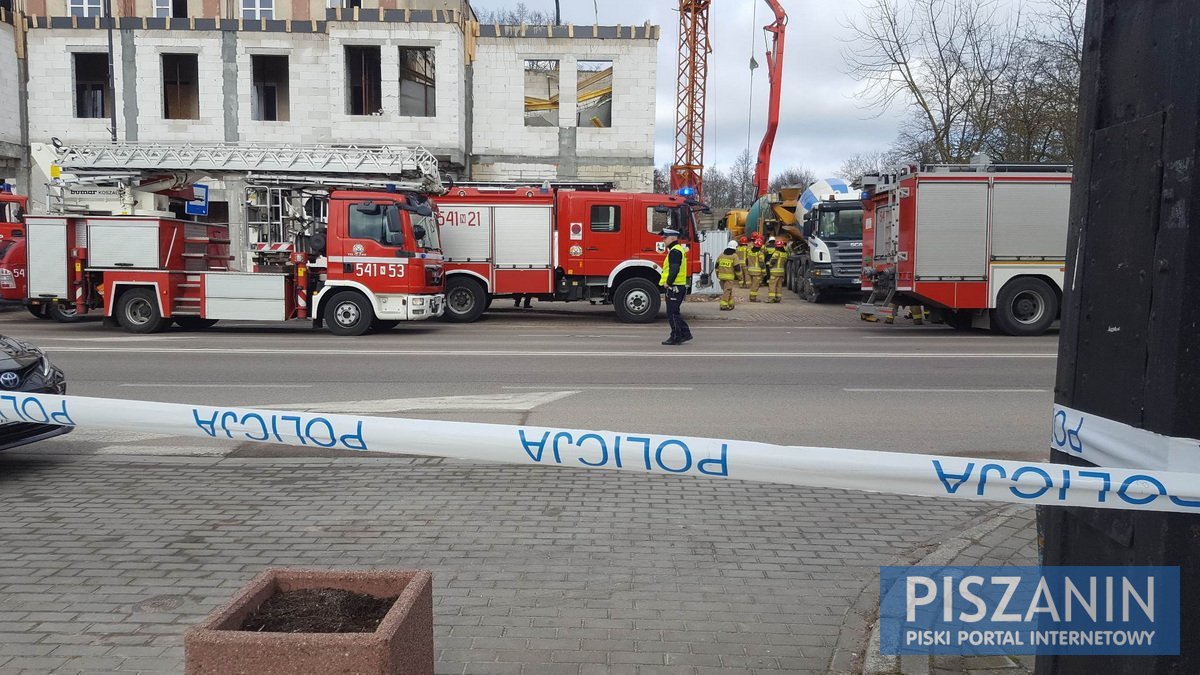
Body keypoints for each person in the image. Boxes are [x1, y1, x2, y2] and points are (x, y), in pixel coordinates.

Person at [659, 228, 693, 345]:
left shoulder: (675, 251)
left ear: (673, 238)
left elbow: (674, 269)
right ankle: (685, 333)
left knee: (672, 313)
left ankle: (676, 336)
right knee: (674, 312)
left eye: (665, 237)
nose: (663, 240)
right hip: (677, 286)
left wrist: (668, 282)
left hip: (675, 287)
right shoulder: (676, 250)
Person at [715, 240, 741, 310]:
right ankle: (723, 305)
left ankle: (730, 303)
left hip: (721, 276)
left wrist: (717, 275)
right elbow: (737, 268)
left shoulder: (721, 255)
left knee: (727, 290)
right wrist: (740, 277)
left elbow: (716, 266)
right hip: (729, 277)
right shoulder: (734, 256)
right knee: (727, 291)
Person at [746, 237, 765, 302]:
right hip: (756, 272)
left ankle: (752, 297)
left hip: (750, 271)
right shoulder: (760, 253)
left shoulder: (749, 252)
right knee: (755, 286)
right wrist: (764, 272)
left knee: (752, 285)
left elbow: (746, 260)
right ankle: (753, 298)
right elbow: (762, 263)